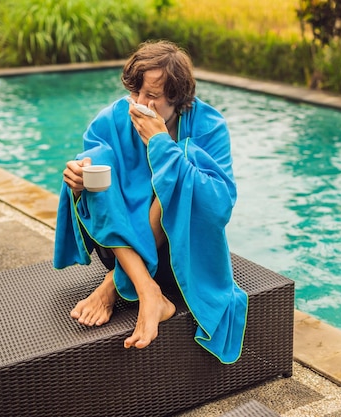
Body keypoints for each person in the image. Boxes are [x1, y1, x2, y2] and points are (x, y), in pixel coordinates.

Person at [53, 40, 248, 364]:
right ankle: (148, 292)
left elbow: (220, 206)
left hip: (181, 252)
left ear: (180, 101)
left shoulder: (209, 126)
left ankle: (112, 288)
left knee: (181, 167)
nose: (140, 105)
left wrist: (161, 145)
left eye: (153, 98)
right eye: (136, 93)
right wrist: (76, 182)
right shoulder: (113, 118)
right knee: (96, 159)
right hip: (115, 249)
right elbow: (91, 196)